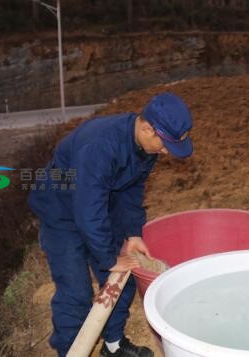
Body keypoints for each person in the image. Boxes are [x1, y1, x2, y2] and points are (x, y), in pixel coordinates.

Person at [28, 92, 194, 357]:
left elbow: (131, 189)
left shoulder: (143, 145)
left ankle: (113, 345)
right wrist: (108, 257)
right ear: (147, 128)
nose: (165, 152)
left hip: (99, 202)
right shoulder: (100, 146)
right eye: (164, 145)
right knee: (76, 292)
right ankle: (70, 351)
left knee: (123, 277)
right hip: (61, 208)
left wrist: (132, 232)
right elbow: (87, 208)